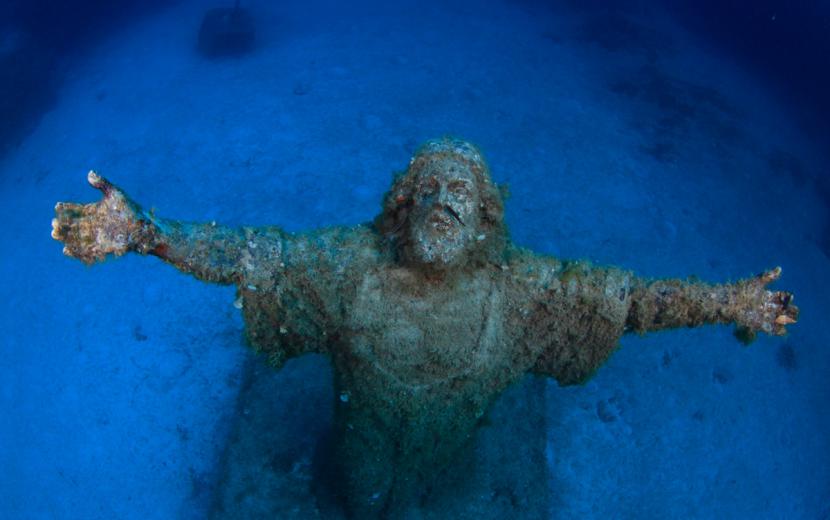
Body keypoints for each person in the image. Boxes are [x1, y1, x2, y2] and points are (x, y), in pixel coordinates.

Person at [51, 138, 798, 518]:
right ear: (402, 207)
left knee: (436, 482)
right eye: (428, 187)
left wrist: (726, 302)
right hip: (362, 437)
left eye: (460, 191)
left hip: (452, 434)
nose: (443, 198)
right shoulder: (346, 267)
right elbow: (254, 256)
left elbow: (628, 303)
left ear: (484, 221)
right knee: (364, 499)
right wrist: (150, 235)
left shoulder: (528, 292)